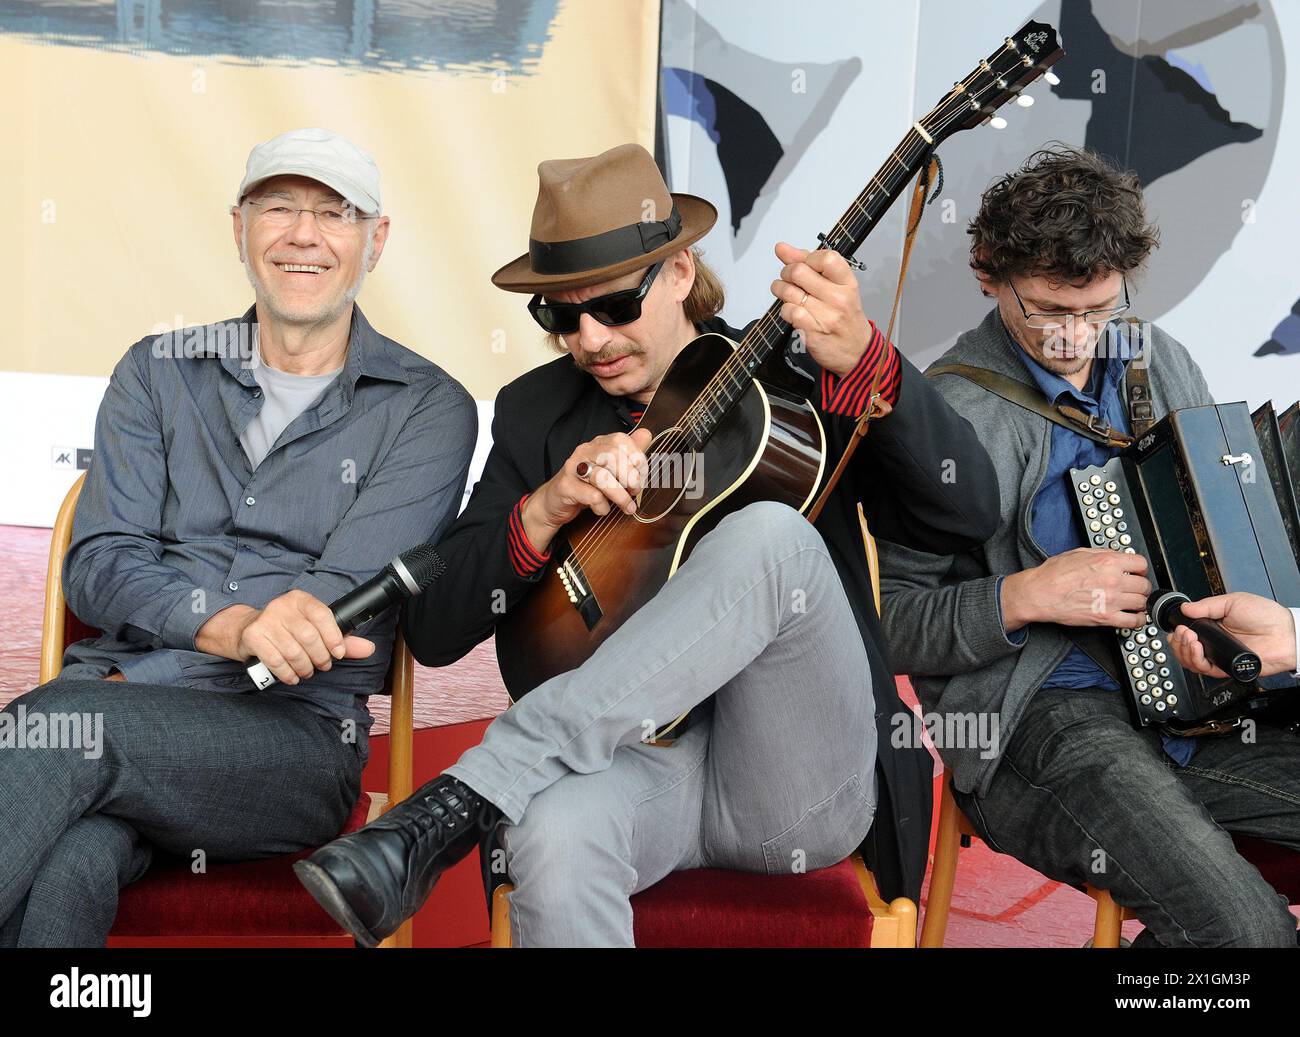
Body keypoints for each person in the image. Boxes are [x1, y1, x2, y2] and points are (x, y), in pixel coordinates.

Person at [296, 142, 1000, 947]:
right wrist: (544, 509)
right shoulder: (537, 412)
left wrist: (870, 362)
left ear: (677, 270)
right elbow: (438, 627)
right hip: (633, 773)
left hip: (792, 780)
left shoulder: (808, 376)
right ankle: (500, 788)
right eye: (561, 316)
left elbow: (966, 514)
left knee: (772, 534)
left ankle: (472, 790)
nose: (589, 340)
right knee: (551, 832)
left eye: (615, 306)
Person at [0, 128, 477, 946]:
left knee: (55, 730)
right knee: (73, 856)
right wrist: (233, 624)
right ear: (239, 227)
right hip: (119, 705)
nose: (304, 233)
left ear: (377, 239)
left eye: (336, 212)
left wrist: (165, 668)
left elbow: (336, 609)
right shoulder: (158, 371)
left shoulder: (426, 408)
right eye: (280, 207)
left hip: (288, 745)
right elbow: (101, 563)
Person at [877, 144, 1300, 947]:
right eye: (1045, 308)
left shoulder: (1157, 358)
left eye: (1098, 308)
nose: (1074, 337)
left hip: (1197, 702)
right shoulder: (951, 415)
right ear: (987, 273)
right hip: (1044, 720)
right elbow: (887, 617)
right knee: (1246, 936)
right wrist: (1024, 595)